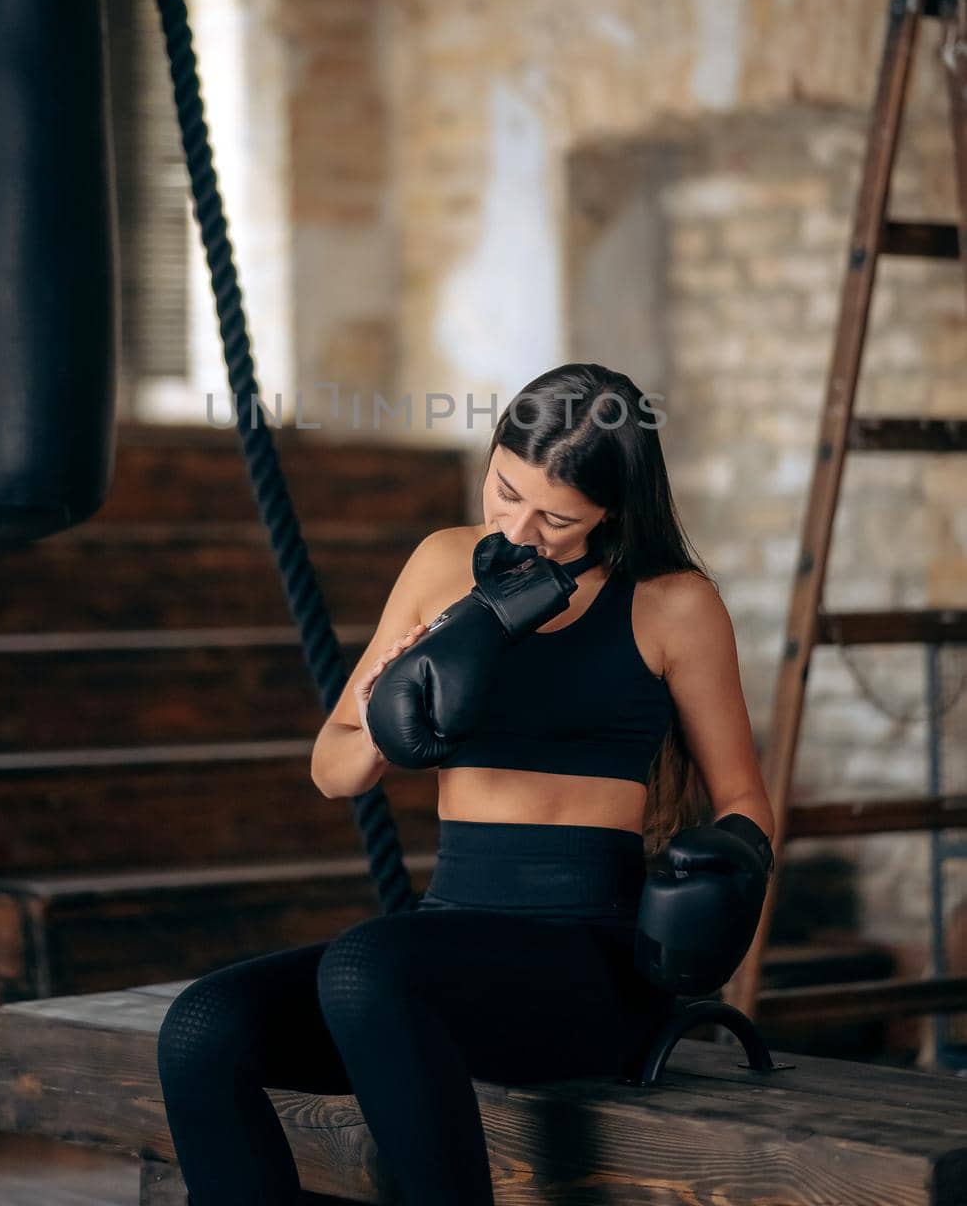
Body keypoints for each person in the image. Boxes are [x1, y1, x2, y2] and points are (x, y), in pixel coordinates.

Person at [156, 362, 776, 1204]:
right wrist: (388, 722)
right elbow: (332, 768)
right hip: (443, 945)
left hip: (585, 960)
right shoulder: (443, 564)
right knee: (203, 1029)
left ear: (612, 509)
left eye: (556, 517)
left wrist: (716, 876)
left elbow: (743, 801)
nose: (519, 531)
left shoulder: (672, 604)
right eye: (503, 492)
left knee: (365, 965)